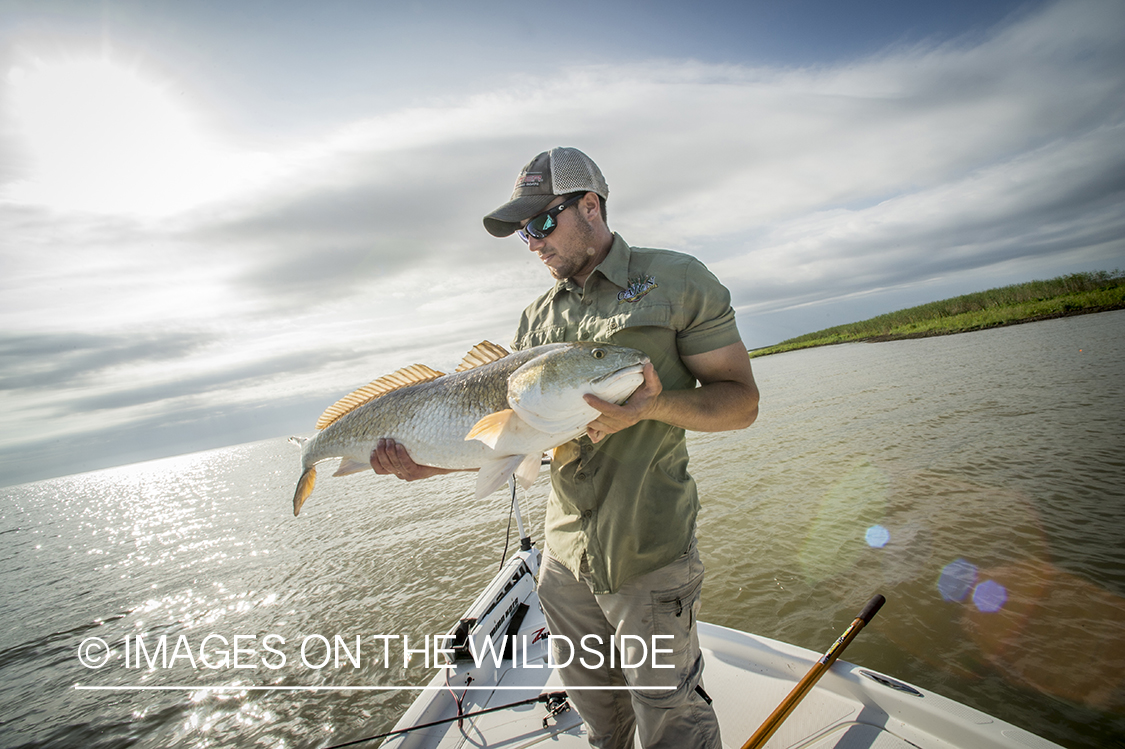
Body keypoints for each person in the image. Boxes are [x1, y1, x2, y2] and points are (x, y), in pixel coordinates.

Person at [371, 147, 759, 749]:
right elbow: (530, 439)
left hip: (647, 552)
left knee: (670, 719)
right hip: (562, 559)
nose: (532, 241)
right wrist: (431, 462)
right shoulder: (532, 323)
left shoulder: (680, 279)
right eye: (524, 231)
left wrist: (651, 406)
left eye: (542, 222)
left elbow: (741, 404)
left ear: (591, 205)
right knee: (599, 717)